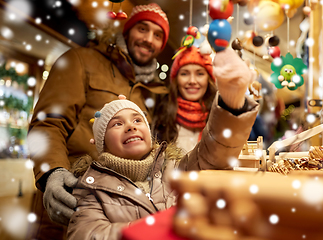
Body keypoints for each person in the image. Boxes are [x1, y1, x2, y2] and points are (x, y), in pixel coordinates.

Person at [66, 47, 259, 240]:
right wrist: (160, 226)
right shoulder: (91, 188)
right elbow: (86, 234)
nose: (130, 127)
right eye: (117, 124)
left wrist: (230, 102)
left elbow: (212, 153)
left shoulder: (174, 169)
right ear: (102, 143)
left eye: (137, 120)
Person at [26, 3, 169, 240]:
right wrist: (52, 172)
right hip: (71, 199)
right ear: (127, 30)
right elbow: (48, 124)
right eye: (142, 29)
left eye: (158, 35)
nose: (149, 40)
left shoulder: (151, 91)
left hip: (118, 214)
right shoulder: (81, 60)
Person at [152, 46, 217, 153]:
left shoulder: (219, 116)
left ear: (208, 79)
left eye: (200, 73)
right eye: (184, 74)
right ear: (176, 79)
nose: (192, 80)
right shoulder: (162, 117)